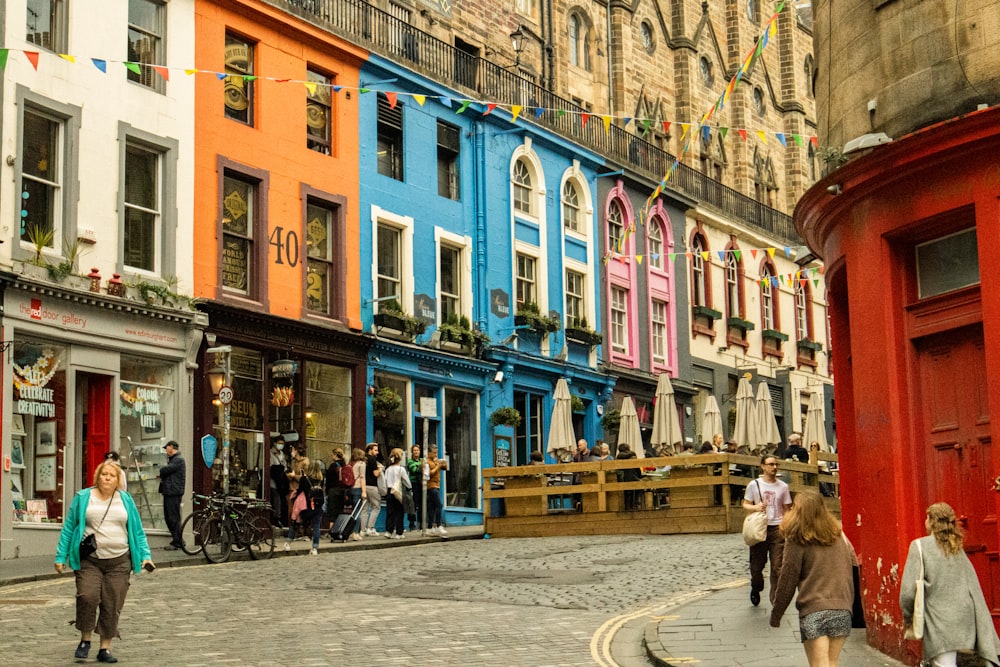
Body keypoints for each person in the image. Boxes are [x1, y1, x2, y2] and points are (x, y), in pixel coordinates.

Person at [55, 460, 154, 664]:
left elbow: (137, 531)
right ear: (97, 477)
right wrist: (60, 556)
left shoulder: (125, 499)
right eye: (104, 474)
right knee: (87, 596)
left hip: (120, 561)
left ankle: (105, 648)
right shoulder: (83, 497)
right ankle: (85, 639)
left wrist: (146, 555)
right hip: (90, 560)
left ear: (118, 480)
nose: (107, 478)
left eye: (112, 475)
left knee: (112, 603)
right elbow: (68, 528)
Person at [900, 502, 1000, 667]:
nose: (925, 522)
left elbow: (907, 592)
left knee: (944, 664)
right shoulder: (957, 548)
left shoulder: (919, 546)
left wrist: (908, 616)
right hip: (964, 617)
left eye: (927, 518)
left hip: (939, 620)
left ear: (932, 522)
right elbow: (973, 586)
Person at [770, 491, 858, 667]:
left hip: (813, 609)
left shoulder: (797, 537)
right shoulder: (838, 534)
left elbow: (788, 578)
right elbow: (854, 564)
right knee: (832, 663)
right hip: (842, 608)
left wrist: (777, 614)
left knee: (819, 664)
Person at [743, 454, 793, 606]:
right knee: (756, 566)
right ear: (763, 466)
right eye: (771, 464)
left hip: (777, 528)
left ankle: (775, 599)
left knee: (777, 566)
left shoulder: (783, 487)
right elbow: (745, 504)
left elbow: (787, 509)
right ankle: (756, 587)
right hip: (760, 528)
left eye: (776, 464)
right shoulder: (754, 485)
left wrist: (788, 525)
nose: (774, 467)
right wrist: (756, 507)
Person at [158, 440, 185, 551]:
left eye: (167, 448)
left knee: (172, 517)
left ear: (171, 447)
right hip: (169, 492)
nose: (165, 451)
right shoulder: (173, 460)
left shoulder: (178, 460)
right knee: (170, 517)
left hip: (173, 492)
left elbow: (164, 470)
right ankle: (178, 540)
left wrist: (163, 468)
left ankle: (177, 541)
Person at [383, 448, 407, 539]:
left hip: (389, 490)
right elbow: (406, 481)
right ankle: (399, 532)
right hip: (398, 491)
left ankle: (388, 531)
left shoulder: (388, 469)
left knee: (390, 511)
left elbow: (385, 480)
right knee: (399, 512)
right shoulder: (401, 469)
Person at [361, 442, 383, 537]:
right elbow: (376, 474)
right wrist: (380, 470)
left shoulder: (363, 459)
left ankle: (363, 529)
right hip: (372, 486)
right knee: (376, 507)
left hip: (364, 486)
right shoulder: (372, 460)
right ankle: (370, 528)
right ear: (370, 450)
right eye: (375, 450)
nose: (377, 452)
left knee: (364, 509)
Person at [425, 445, 448, 535]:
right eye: (434, 453)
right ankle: (438, 525)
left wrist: (443, 463)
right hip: (431, 486)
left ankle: (430, 527)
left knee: (432, 507)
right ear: (429, 453)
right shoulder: (426, 462)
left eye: (436, 453)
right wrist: (438, 466)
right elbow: (429, 474)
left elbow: (445, 468)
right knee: (439, 505)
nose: (435, 455)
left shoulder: (435, 460)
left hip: (437, 485)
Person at [268, 437, 289, 528]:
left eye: (282, 443)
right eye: (279, 443)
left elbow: (285, 467)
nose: (281, 445)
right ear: (274, 443)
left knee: (281, 499)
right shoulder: (270, 453)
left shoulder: (282, 454)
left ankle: (280, 518)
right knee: (275, 499)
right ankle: (275, 518)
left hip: (281, 482)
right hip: (272, 481)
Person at [325, 447, 348, 524]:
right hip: (342, 491)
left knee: (332, 511)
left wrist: (326, 491)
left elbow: (329, 479)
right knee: (340, 510)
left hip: (333, 490)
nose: (332, 456)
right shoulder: (344, 465)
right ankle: (338, 529)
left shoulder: (333, 465)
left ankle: (331, 530)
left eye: (332, 455)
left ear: (335, 455)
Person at [616, 443, 642, 510]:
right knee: (638, 489)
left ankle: (627, 507)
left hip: (623, 479)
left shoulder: (618, 457)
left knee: (627, 493)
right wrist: (640, 476)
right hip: (634, 478)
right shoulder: (633, 456)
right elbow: (637, 469)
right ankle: (635, 505)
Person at [348, 447, 366, 541]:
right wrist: (364, 491)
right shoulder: (361, 464)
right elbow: (362, 477)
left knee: (353, 511)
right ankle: (355, 532)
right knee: (358, 512)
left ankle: (351, 532)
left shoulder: (351, 464)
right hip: (358, 488)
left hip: (351, 489)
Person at [406, 445, 423, 531]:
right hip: (414, 484)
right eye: (414, 450)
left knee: (422, 504)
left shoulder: (422, 460)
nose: (416, 452)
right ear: (412, 452)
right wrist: (422, 466)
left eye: (417, 450)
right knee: (413, 505)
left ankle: (421, 524)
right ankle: (412, 524)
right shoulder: (409, 461)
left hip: (422, 484)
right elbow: (414, 470)